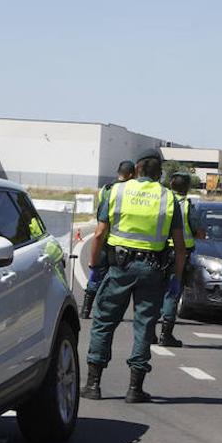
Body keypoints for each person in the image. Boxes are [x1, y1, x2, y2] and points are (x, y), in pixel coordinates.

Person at [80, 150, 185, 403]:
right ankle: (134, 389)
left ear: (136, 169)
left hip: (119, 267)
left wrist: (95, 264)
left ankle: (93, 385)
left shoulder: (116, 191)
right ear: (159, 173)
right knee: (144, 326)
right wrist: (177, 278)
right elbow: (180, 246)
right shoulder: (168, 198)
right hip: (152, 270)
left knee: (104, 322)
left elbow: (99, 234)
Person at [155, 171, 206, 347]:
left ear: (171, 185)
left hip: (155, 252)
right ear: (187, 188)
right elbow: (199, 232)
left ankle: (148, 333)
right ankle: (166, 335)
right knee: (172, 293)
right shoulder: (187, 206)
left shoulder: (160, 201)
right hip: (179, 254)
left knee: (153, 293)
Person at [80, 160, 135, 318]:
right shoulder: (126, 192)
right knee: (118, 279)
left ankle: (85, 309)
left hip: (103, 239)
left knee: (96, 274)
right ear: (131, 175)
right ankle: (108, 312)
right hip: (118, 241)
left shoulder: (106, 189)